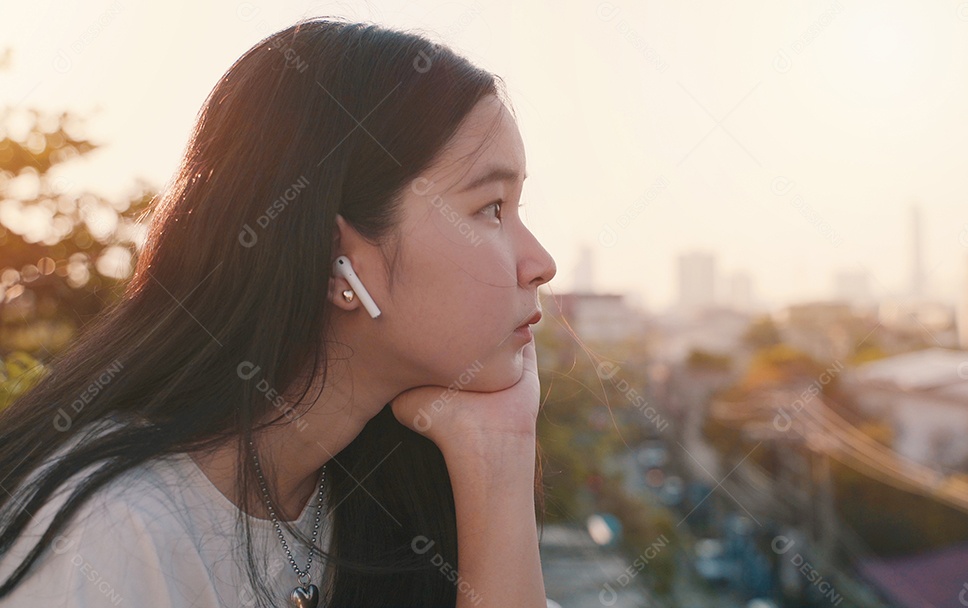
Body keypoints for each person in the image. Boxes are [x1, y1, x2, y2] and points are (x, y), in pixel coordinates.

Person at [0, 16, 556, 607]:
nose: (541, 262)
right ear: (338, 256)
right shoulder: (110, 536)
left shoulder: (373, 489)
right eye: (491, 208)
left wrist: (500, 455)